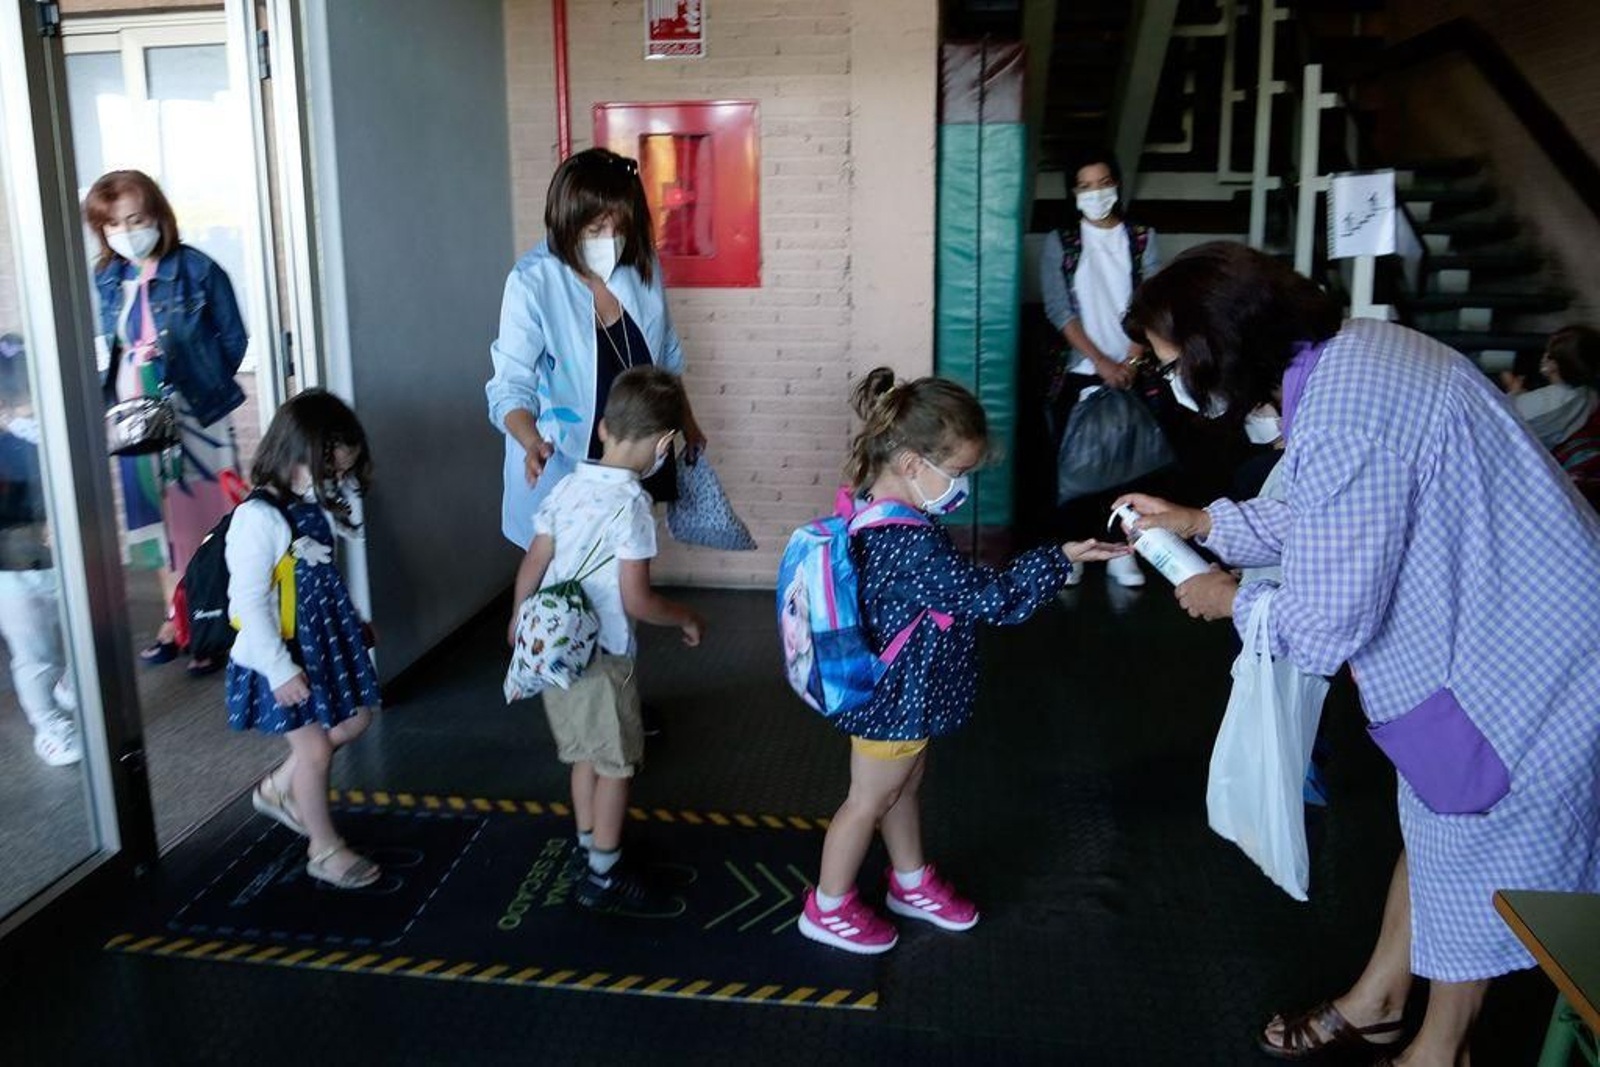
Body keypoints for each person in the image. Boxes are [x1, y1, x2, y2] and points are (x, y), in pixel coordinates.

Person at [1116, 242, 1600, 1066]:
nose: (1172, 386)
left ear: (1218, 346)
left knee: (1472, 840)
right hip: (1504, 632)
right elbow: (1323, 511)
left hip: (1519, 667)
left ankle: (1439, 1050)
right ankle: (1379, 999)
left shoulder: (1346, 413)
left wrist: (1229, 597)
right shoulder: (1358, 357)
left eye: (1170, 367)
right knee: (1439, 830)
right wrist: (1201, 524)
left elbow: (1328, 617)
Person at [797, 368, 1129, 954]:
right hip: (889, 701)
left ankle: (909, 880)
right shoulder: (905, 540)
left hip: (905, 696)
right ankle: (827, 906)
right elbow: (989, 600)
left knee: (901, 791)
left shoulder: (874, 505)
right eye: (957, 472)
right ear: (911, 463)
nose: (961, 486)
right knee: (868, 801)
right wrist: (1056, 561)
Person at [509, 366, 706, 913]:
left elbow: (535, 558)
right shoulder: (633, 506)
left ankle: (588, 843)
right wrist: (687, 617)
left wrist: (519, 617)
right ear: (665, 443)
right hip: (603, 656)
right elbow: (637, 599)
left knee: (583, 758)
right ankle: (604, 871)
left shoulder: (567, 485)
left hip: (554, 652)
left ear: (602, 427)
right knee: (617, 764)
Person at [486, 148, 707, 551]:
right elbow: (509, 386)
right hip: (564, 465)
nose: (609, 240)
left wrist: (687, 424)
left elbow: (667, 357)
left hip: (634, 457)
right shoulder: (532, 282)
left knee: (626, 572)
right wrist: (532, 441)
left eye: (618, 227)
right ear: (566, 222)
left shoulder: (641, 266)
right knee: (564, 584)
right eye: (594, 228)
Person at [84, 170, 248, 676]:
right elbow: (102, 345)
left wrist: (201, 381)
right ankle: (172, 620)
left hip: (195, 412)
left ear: (158, 216)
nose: (126, 231)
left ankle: (213, 618)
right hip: (136, 418)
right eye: (113, 224)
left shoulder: (197, 269)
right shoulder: (107, 278)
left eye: (136, 219)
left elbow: (234, 339)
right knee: (155, 524)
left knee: (205, 518)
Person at [226, 390, 383, 890]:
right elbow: (249, 602)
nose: (336, 478)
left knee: (356, 717)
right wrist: (279, 668)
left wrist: (352, 620)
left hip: (321, 646)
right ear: (303, 452)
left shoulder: (307, 506)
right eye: (331, 466)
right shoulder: (258, 519)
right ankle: (323, 847)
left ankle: (279, 787)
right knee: (315, 751)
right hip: (282, 656)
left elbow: (321, 575)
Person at [1039, 148, 1163, 588]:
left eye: (1103, 183)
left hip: (1135, 369)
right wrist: (1101, 361)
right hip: (1079, 369)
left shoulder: (1143, 237)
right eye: (1085, 186)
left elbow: (1150, 304)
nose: (1096, 193)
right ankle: (1076, 550)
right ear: (1073, 193)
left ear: (1117, 185)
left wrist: (1130, 359)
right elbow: (1058, 308)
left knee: (1131, 464)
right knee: (1077, 465)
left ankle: (1124, 553)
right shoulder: (1063, 241)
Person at [0, 335, 79, 766]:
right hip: (11, 568)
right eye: (15, 403)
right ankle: (48, 725)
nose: (22, 411)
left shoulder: (47, 435)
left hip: (60, 558)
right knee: (33, 653)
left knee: (81, 632)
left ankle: (70, 685)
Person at [1502, 324, 1600, 448]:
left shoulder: (1530, 405)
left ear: (1551, 366)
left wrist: (1513, 390)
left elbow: (1503, 415)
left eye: (1547, 353)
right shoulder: (1591, 396)